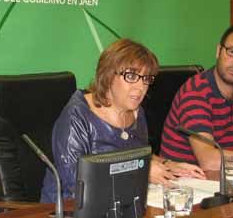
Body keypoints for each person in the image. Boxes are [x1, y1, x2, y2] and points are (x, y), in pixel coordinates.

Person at [41, 38, 205, 204]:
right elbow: (77, 184)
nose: (140, 87)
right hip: (68, 215)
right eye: (131, 76)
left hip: (120, 205)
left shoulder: (136, 112)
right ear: (108, 75)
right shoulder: (76, 116)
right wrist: (140, 171)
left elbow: (137, 154)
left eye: (146, 78)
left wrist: (169, 165)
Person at [159, 23, 233, 171]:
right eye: (232, 52)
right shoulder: (195, 92)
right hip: (182, 184)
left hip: (225, 179)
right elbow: (209, 161)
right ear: (219, 51)